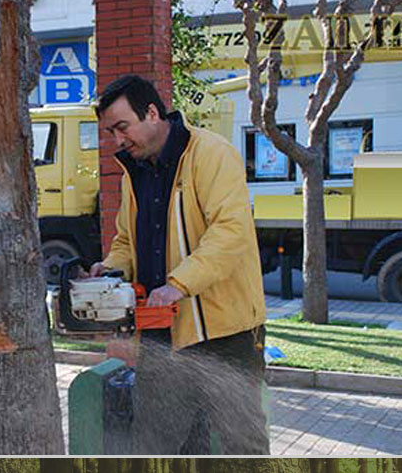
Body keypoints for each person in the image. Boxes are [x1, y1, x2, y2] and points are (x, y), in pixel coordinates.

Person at [81, 74, 269, 455]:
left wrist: (179, 284)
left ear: (152, 112)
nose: (116, 140)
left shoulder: (212, 154)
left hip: (224, 334)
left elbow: (230, 231)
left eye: (121, 127)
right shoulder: (133, 174)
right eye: (109, 132)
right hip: (159, 337)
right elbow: (124, 242)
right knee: (157, 443)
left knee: (242, 444)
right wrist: (111, 271)